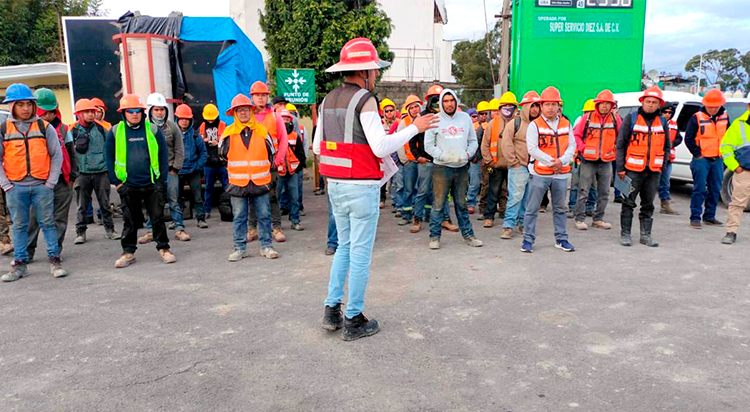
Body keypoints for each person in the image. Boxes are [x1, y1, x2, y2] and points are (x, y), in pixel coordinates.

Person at [315, 38, 438, 341]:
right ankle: (353, 318)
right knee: (359, 254)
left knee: (344, 248)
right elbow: (381, 146)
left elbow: (317, 147)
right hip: (361, 187)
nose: (377, 74)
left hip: (336, 186)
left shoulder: (328, 100)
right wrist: (416, 127)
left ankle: (332, 310)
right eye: (375, 70)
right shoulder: (365, 99)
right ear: (365, 71)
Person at [0, 83, 67, 281]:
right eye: (20, 104)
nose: (26, 108)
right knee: (19, 226)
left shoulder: (44, 127)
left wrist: (50, 183)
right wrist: (6, 185)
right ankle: (20, 265)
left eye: (29, 104)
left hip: (41, 186)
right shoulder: (4, 129)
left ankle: (55, 261)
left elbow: (56, 156)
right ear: (12, 106)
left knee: (48, 224)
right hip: (15, 187)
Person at [107, 94, 175, 267]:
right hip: (128, 185)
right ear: (123, 113)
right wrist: (117, 183)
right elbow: (109, 158)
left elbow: (163, 155)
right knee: (130, 222)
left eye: (137, 110)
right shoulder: (115, 131)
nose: (134, 113)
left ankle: (164, 248)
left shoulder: (152, 130)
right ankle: (128, 252)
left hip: (152, 184)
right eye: (130, 111)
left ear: (143, 112)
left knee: (157, 219)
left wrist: (161, 181)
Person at [221, 93, 279, 261]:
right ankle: (239, 248)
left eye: (246, 109)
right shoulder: (227, 133)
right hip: (237, 183)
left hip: (260, 181)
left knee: (264, 215)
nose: (243, 113)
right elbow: (222, 156)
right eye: (239, 110)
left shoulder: (262, 131)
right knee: (239, 217)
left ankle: (267, 246)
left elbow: (272, 154)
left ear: (251, 111)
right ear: (234, 113)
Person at [424, 89, 483, 250]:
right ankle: (434, 237)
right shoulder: (435, 119)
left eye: (452, 100)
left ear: (456, 101)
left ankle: (469, 235)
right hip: (442, 168)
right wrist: (442, 156)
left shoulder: (465, 118)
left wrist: (467, 154)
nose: (449, 104)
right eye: (445, 101)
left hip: (461, 167)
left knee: (461, 203)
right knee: (438, 204)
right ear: (441, 103)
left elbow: (473, 141)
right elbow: (428, 145)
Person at [520, 86, 576, 253]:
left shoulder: (566, 124)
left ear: (558, 105)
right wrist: (552, 162)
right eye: (547, 104)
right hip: (540, 173)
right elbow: (532, 148)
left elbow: (572, 146)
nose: (550, 108)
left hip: (561, 174)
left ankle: (561, 239)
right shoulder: (534, 125)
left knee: (559, 209)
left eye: (554, 104)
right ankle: (527, 240)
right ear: (541, 106)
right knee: (532, 208)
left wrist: (562, 161)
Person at [24, 88, 77, 261]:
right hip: (37, 182)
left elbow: (71, 154)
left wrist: (72, 177)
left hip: (62, 181)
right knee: (33, 219)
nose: (48, 116)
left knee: (59, 219)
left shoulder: (64, 130)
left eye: (51, 111)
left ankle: (55, 252)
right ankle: (27, 251)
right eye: (44, 112)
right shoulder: (26, 130)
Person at [615, 86, 671, 247]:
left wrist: (662, 166)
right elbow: (620, 144)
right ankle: (625, 234)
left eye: (654, 102)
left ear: (659, 104)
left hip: (653, 172)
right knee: (628, 202)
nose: (651, 105)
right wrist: (620, 168)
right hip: (632, 171)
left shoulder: (662, 122)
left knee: (648, 204)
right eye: (648, 101)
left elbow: (667, 146)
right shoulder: (631, 118)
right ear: (642, 102)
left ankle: (645, 235)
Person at [139, 93, 189, 243]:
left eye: (162, 109)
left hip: (170, 171)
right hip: (153, 173)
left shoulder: (172, 127)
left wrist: (175, 168)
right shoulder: (144, 128)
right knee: (153, 202)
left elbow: (179, 149)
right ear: (150, 110)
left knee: (174, 200)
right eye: (156, 109)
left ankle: (179, 228)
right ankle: (151, 231)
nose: (159, 112)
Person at [69, 98, 120, 244]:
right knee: (81, 206)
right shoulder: (71, 131)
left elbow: (111, 150)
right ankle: (80, 233)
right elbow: (68, 153)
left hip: (101, 172)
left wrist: (110, 170)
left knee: (105, 204)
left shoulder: (102, 129)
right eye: (87, 112)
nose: (92, 114)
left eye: (93, 111)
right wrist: (73, 173)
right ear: (79, 114)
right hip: (81, 174)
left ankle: (110, 230)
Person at [409, 84, 456, 234]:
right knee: (422, 191)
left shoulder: (447, 118)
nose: (436, 102)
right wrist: (418, 157)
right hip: (426, 162)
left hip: (442, 161)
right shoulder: (421, 118)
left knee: (443, 192)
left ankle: (445, 219)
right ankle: (417, 219)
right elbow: (412, 141)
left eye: (439, 99)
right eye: (434, 99)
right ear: (428, 100)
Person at [572, 89, 620, 230]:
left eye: (607, 103)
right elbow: (576, 135)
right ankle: (579, 219)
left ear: (611, 105)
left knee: (604, 192)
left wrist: (615, 150)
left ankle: (598, 219)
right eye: (602, 103)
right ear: (597, 104)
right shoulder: (587, 118)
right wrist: (583, 148)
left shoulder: (615, 119)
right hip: (588, 160)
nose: (605, 106)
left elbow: (621, 137)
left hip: (606, 161)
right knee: (583, 190)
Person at [247, 81, 288, 243]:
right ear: (252, 97)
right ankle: (252, 228)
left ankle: (276, 228)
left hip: (271, 165)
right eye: (257, 95)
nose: (261, 98)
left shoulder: (275, 117)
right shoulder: (247, 116)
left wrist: (277, 161)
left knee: (272, 197)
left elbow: (283, 140)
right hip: (251, 165)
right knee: (251, 197)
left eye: (263, 95)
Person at [684, 89, 729, 229]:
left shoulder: (725, 117)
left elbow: (728, 137)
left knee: (715, 189)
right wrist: (698, 154)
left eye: (716, 106)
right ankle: (695, 218)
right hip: (701, 159)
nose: (713, 109)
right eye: (710, 106)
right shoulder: (697, 117)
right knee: (699, 189)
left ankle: (709, 216)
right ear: (705, 104)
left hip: (718, 158)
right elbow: (689, 138)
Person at [500, 91, 540, 239]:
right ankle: (508, 226)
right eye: (532, 106)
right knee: (515, 197)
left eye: (537, 106)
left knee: (528, 198)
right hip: (519, 166)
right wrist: (514, 162)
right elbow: (506, 143)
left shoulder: (540, 124)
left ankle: (523, 223)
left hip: (535, 168)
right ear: (525, 106)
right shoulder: (515, 123)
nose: (534, 109)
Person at [481, 92, 517, 228]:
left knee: (513, 193)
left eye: (510, 106)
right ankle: (489, 216)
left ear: (515, 107)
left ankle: (512, 217)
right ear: (500, 107)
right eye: (505, 106)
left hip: (514, 165)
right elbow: (485, 144)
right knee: (493, 191)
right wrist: (490, 161)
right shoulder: (493, 124)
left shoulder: (518, 123)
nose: (507, 108)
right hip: (496, 164)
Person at [719, 102, 750, 244]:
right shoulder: (739, 125)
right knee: (737, 203)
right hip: (744, 172)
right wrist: (735, 166)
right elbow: (725, 147)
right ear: (749, 106)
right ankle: (731, 232)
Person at [175, 104, 208, 229]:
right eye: (182, 118)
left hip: (193, 170)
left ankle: (201, 219)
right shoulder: (173, 134)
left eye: (187, 119)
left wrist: (198, 166)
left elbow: (203, 152)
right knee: (176, 198)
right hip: (177, 171)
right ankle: (176, 221)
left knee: (198, 197)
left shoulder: (195, 135)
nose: (184, 121)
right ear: (177, 119)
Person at [275, 108, 306, 231]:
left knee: (294, 198)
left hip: (293, 172)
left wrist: (298, 167)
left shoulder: (295, 136)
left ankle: (295, 221)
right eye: (282, 119)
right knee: (275, 199)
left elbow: (301, 154)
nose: (285, 121)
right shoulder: (274, 137)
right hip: (278, 172)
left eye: (287, 119)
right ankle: (276, 224)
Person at [568, 99, 598, 217]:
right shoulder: (580, 122)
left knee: (592, 185)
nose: (589, 114)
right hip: (579, 159)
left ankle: (589, 207)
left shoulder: (599, 125)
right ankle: (573, 207)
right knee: (575, 184)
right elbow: (574, 138)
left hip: (592, 159)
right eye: (587, 112)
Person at [396, 95, 422, 226]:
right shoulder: (404, 123)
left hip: (422, 161)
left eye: (416, 106)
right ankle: (406, 215)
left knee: (422, 190)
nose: (414, 109)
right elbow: (399, 142)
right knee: (409, 189)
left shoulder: (424, 120)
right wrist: (404, 159)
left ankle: (420, 215)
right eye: (411, 107)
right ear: (408, 109)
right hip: (410, 161)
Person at [199, 103, 228, 219]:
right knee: (208, 187)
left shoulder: (223, 125)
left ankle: (230, 206)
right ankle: (207, 210)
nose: (210, 121)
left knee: (227, 186)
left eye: (212, 119)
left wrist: (218, 142)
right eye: (208, 119)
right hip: (208, 163)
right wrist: (204, 141)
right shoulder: (202, 126)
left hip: (221, 162)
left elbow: (228, 141)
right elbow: (199, 142)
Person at [658, 103, 681, 215]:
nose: (667, 114)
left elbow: (679, 138)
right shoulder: (656, 123)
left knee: (665, 182)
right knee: (650, 183)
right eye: (665, 112)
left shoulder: (674, 124)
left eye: (670, 112)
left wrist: (672, 144)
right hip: (656, 158)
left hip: (668, 158)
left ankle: (665, 205)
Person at [468, 102, 489, 214]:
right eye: (481, 114)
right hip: (475, 158)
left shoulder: (490, 125)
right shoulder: (472, 126)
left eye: (486, 113)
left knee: (487, 183)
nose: (484, 116)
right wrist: (473, 157)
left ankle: (486, 204)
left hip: (487, 158)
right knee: (474, 183)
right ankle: (471, 203)